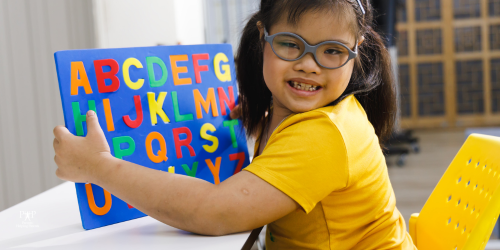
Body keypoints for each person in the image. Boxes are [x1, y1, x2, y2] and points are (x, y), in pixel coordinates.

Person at [53, 0, 417, 249]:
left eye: (332, 51)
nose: (310, 64)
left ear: (357, 51)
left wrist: (99, 167)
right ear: (264, 38)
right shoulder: (294, 113)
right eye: (291, 45)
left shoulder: (327, 134)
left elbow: (213, 212)